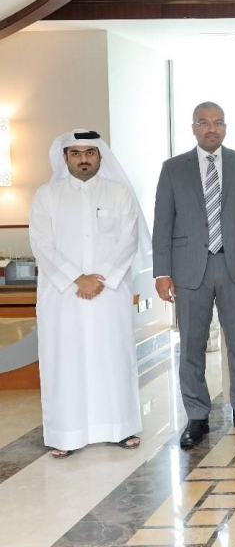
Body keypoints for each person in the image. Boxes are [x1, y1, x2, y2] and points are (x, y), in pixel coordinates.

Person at [152, 102, 235, 448]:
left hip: (234, 265)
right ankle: (197, 416)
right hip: (189, 268)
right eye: (204, 123)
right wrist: (162, 272)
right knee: (191, 345)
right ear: (193, 127)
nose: (211, 129)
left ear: (225, 127)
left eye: (217, 123)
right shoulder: (173, 168)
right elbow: (163, 223)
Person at [29, 130, 146, 457]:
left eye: (90, 153)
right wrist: (76, 278)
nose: (84, 159)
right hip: (62, 296)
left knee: (112, 358)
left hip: (109, 294)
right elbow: (41, 244)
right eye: (76, 153)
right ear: (65, 157)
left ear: (99, 156)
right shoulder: (46, 195)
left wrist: (101, 278)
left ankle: (120, 428)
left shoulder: (119, 193)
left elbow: (129, 241)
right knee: (64, 361)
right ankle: (65, 434)